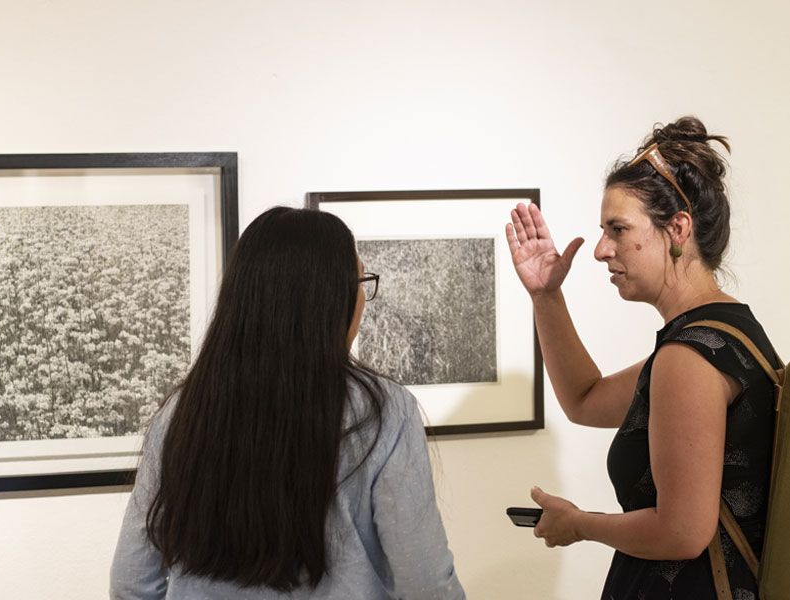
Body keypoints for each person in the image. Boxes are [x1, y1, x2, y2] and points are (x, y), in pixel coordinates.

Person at [110, 206, 464, 599]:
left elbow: (131, 582)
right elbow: (426, 584)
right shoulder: (383, 412)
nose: (363, 297)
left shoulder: (184, 411)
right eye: (360, 281)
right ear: (331, 298)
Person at [506, 116, 780, 599]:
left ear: (678, 228)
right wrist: (546, 296)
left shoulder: (688, 357)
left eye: (618, 229)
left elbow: (682, 532)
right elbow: (585, 400)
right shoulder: (727, 332)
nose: (600, 250)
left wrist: (580, 524)